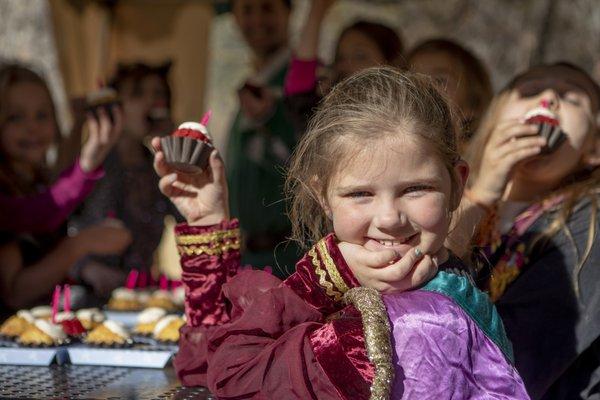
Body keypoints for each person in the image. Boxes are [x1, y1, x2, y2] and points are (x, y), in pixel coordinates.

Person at [153, 67, 529, 399]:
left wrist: (325, 275)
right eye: (360, 194)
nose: (389, 218)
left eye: (416, 189)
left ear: (457, 184)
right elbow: (209, 367)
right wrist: (207, 222)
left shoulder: (410, 328)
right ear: (323, 196)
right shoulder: (426, 288)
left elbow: (231, 376)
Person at [454, 62, 600, 399]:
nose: (548, 98)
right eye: (531, 91)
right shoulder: (443, 197)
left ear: (594, 148)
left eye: (571, 98)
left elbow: (511, 370)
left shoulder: (589, 224)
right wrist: (480, 196)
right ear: (493, 121)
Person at [0, 64, 130, 314]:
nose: (32, 127)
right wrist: (80, 245)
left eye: (42, 115)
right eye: (15, 117)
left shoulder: (35, 180)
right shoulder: (6, 191)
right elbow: (15, 293)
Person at [69, 62, 178, 296]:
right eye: (138, 94)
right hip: (87, 288)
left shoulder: (158, 167)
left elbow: (186, 220)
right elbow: (56, 226)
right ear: (115, 106)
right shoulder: (93, 163)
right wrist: (84, 268)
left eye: (159, 94)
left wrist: (176, 151)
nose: (151, 102)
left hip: (138, 293)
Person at [226, 0, 301, 278]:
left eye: (267, 8)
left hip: (290, 262)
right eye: (247, 9)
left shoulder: (303, 83)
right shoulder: (254, 85)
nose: (257, 20)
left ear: (289, 12)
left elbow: (311, 169)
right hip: (250, 260)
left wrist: (271, 120)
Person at [284, 0, 404, 136]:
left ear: (392, 65)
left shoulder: (409, 119)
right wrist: (317, 11)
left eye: (360, 56)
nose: (345, 66)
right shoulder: (328, 122)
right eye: (340, 58)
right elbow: (300, 90)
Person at [407, 38, 493, 147]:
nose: (424, 88)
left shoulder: (482, 158)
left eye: (439, 80)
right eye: (414, 81)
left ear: (472, 101)